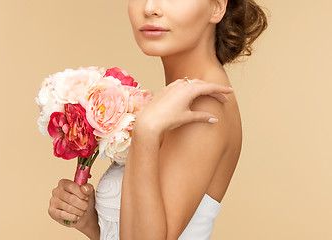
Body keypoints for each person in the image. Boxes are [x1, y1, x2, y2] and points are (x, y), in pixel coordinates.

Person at [48, 0, 268, 239]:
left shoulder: (205, 105)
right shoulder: (177, 100)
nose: (150, 7)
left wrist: (145, 130)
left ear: (216, 7)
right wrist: (93, 223)